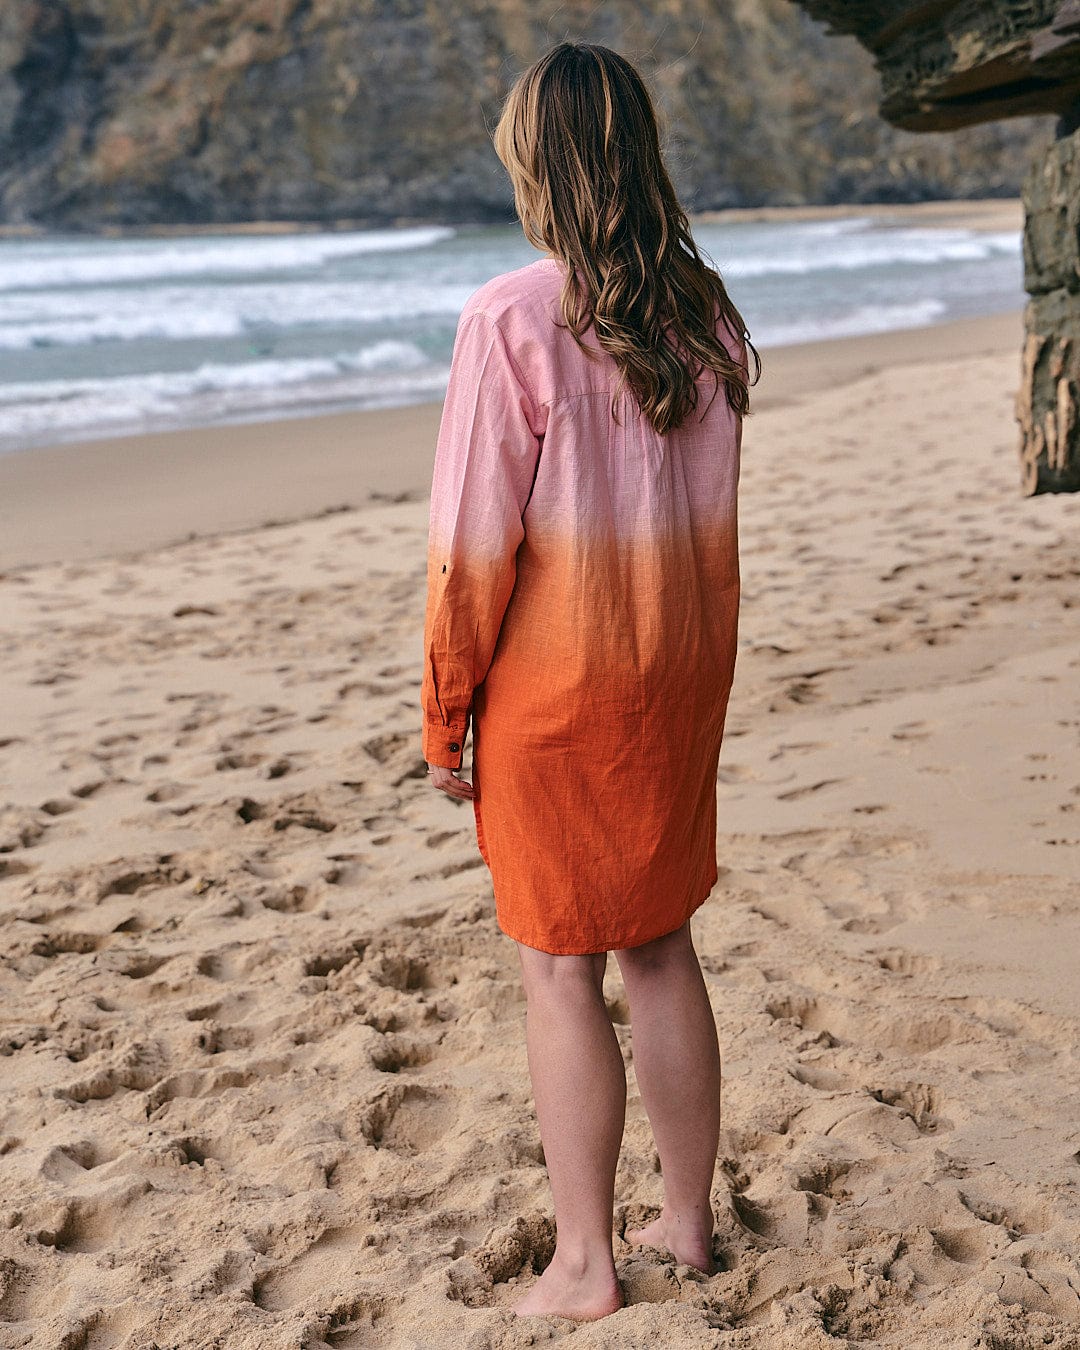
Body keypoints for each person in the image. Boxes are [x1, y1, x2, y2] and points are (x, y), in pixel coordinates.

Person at [420, 40, 760, 1322]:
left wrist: (446, 709)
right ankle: (684, 1222)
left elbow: (470, 553)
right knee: (663, 945)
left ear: (538, 163)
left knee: (561, 968)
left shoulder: (510, 318)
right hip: (677, 676)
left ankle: (582, 1263)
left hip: (560, 697)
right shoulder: (708, 316)